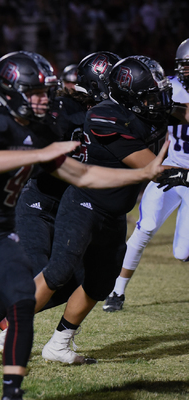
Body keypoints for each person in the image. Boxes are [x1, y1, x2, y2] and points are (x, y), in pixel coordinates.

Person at [0, 51, 166, 400]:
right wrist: (42, 152)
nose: (47, 98)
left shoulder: (44, 130)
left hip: (3, 234)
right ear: (8, 90)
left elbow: (87, 177)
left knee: (38, 288)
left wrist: (145, 174)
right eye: (36, 91)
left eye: (47, 91)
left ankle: (12, 397)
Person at [0, 51, 121, 368]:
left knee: (79, 279)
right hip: (39, 201)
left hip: (73, 204)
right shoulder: (62, 110)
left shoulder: (112, 115)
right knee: (36, 270)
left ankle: (22, 325)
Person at [35, 56, 180, 364]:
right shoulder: (106, 116)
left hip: (115, 212)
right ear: (129, 97)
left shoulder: (146, 108)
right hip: (85, 203)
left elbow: (180, 111)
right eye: (149, 96)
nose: (158, 101)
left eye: (159, 93)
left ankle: (59, 345)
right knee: (59, 272)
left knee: (100, 283)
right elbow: (151, 168)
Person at [104, 39, 189, 312]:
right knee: (146, 227)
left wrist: (170, 108)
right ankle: (116, 292)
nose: (188, 73)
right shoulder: (168, 85)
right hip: (168, 170)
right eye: (186, 67)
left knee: (182, 253)